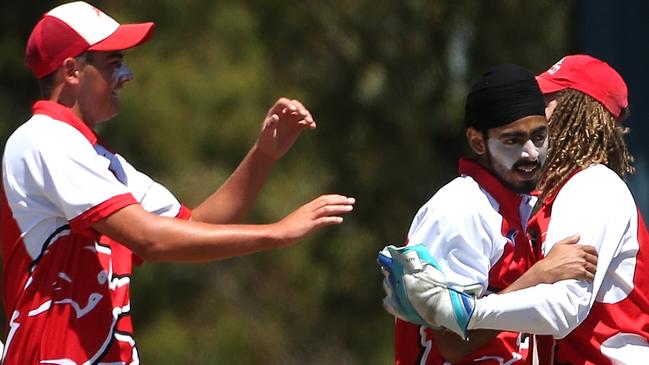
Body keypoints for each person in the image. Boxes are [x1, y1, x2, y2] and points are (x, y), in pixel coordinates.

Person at [1, 2, 355, 364]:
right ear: (73, 70)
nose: (127, 74)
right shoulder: (44, 138)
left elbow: (196, 227)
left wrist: (262, 156)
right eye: (114, 63)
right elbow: (149, 238)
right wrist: (277, 233)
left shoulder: (100, 160)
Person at [388, 55, 649, 365]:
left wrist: (468, 311)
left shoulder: (590, 185)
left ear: (576, 111)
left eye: (546, 101)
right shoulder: (472, 206)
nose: (531, 110)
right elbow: (451, 342)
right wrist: (536, 276)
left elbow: (564, 306)